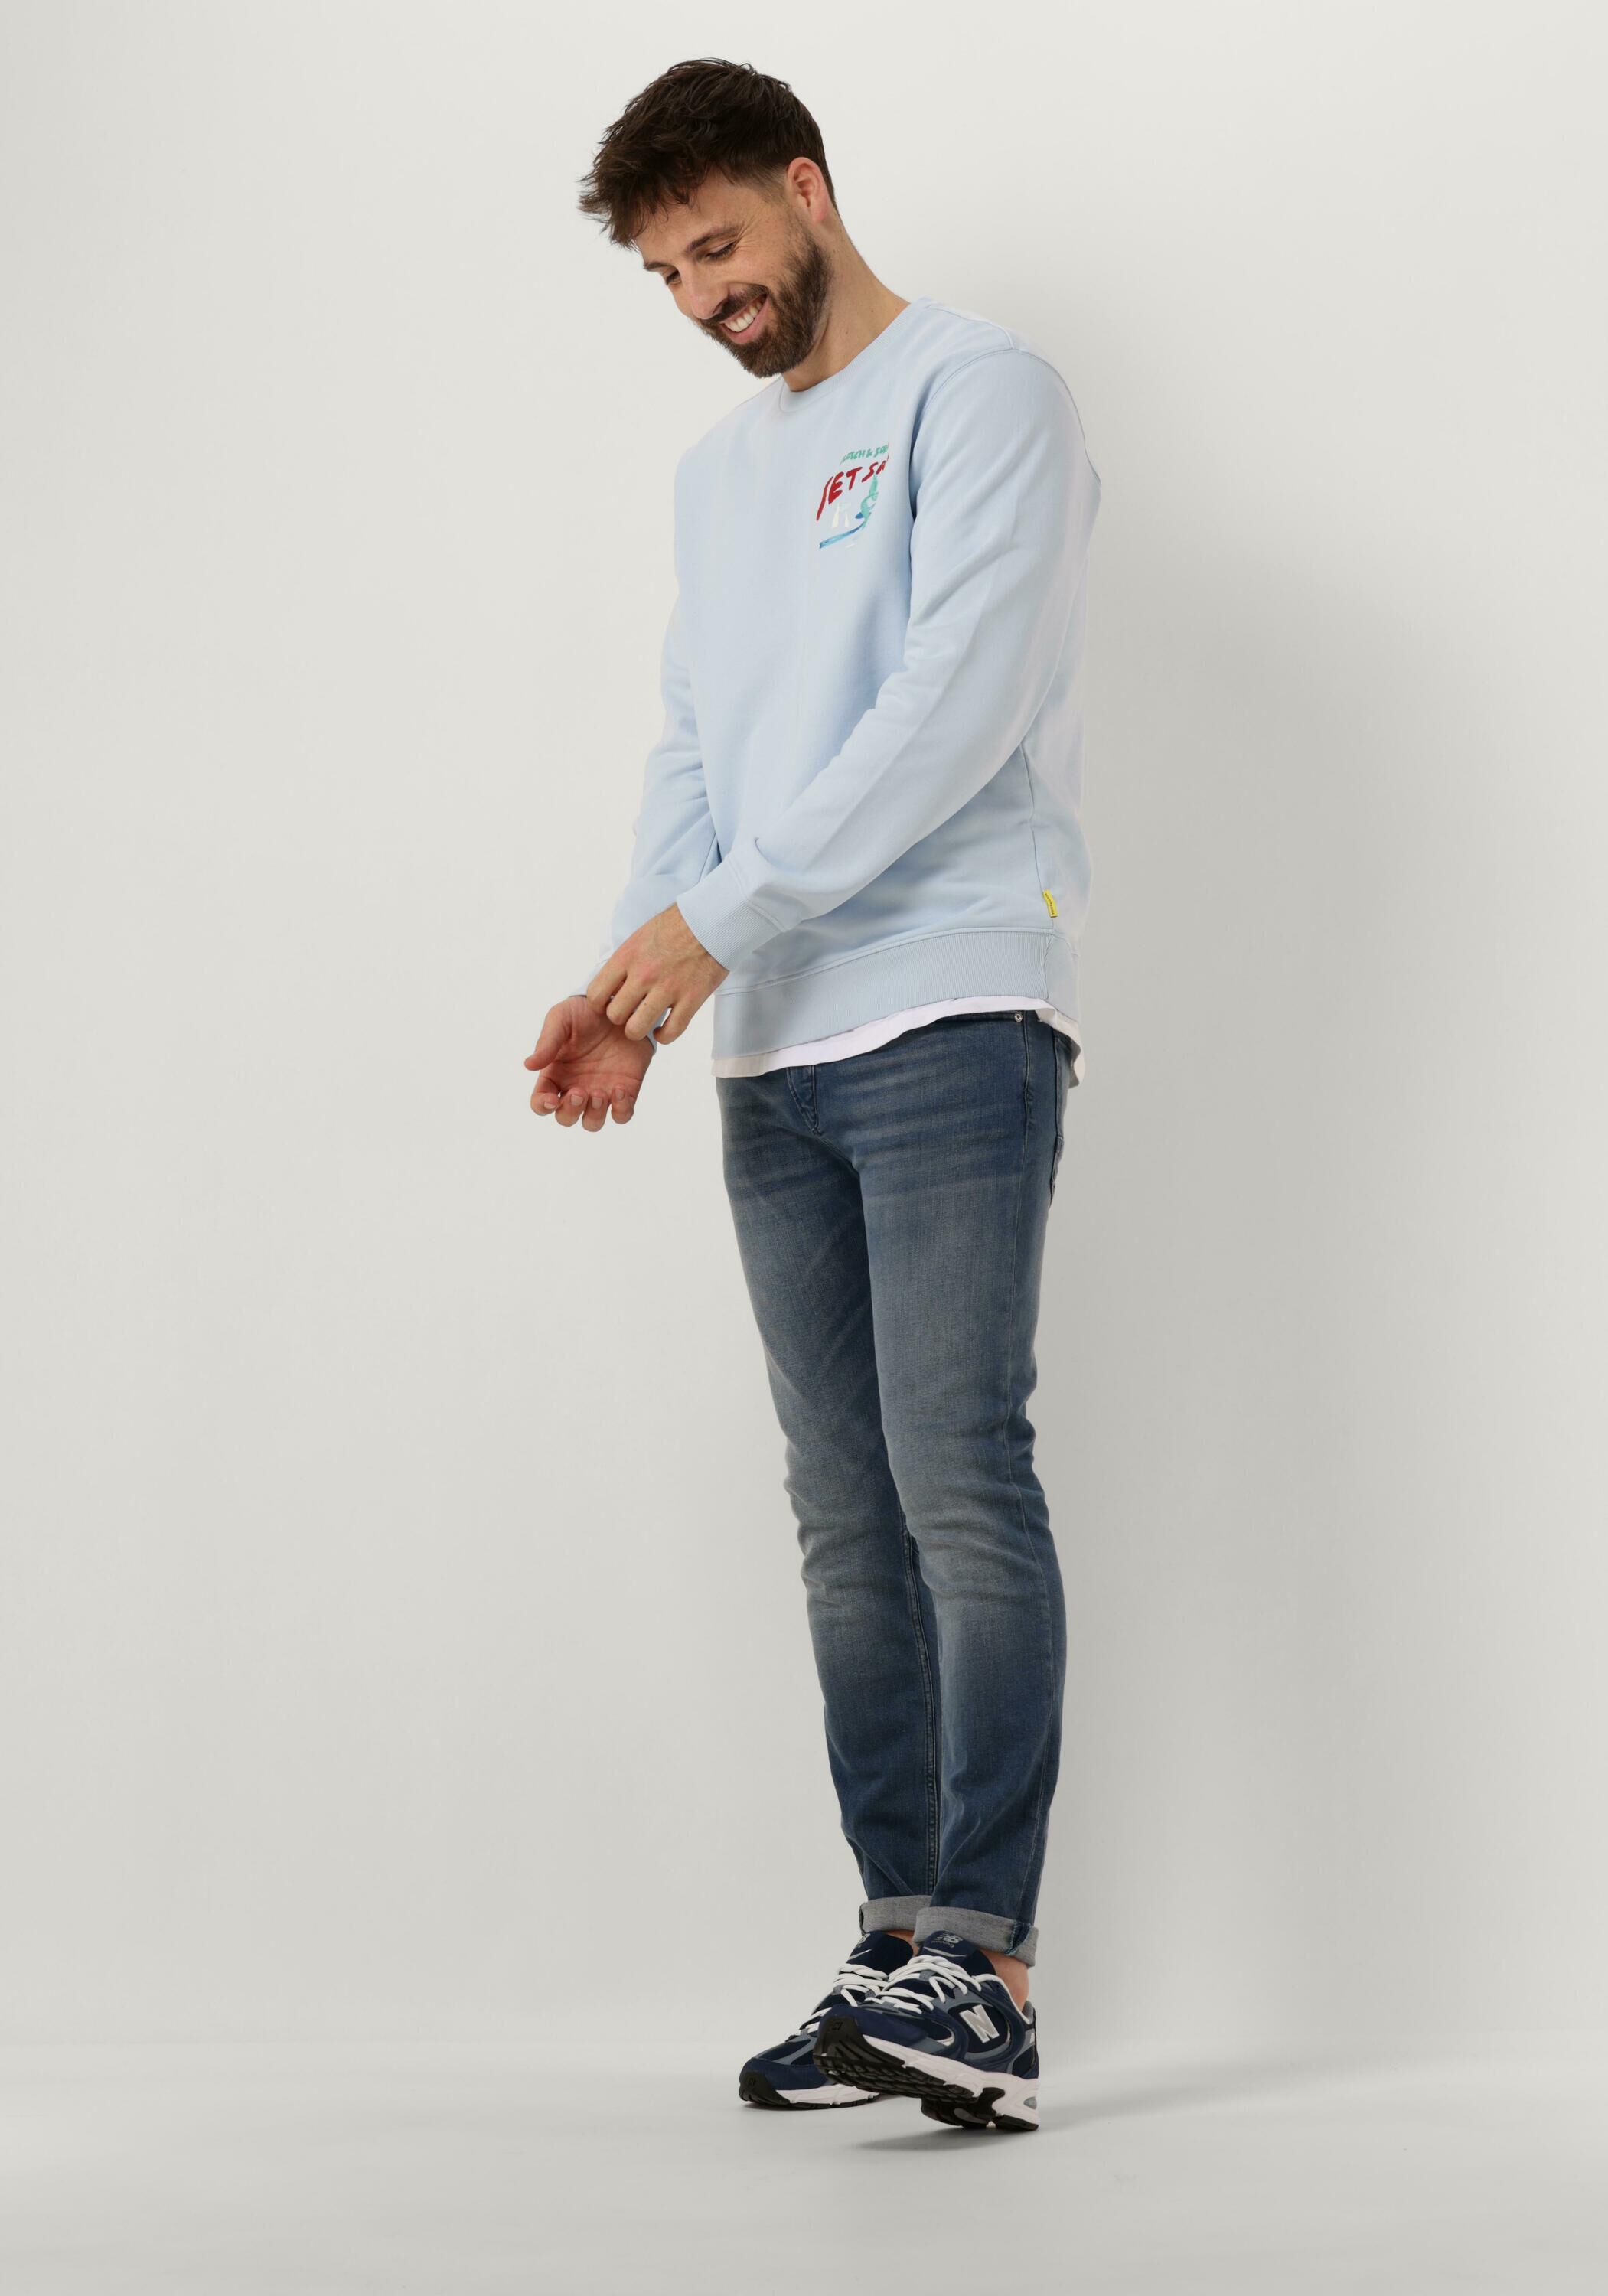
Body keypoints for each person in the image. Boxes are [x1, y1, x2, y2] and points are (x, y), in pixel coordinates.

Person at [525, 58, 1101, 2135]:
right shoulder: (719, 476)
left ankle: (990, 1966)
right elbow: (696, 742)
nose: (706, 298)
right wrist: (640, 976)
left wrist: (725, 916)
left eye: (720, 248)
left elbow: (957, 706)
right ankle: (896, 1946)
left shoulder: (981, 392)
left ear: (807, 185)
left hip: (951, 1003)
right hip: (770, 1041)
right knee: (845, 1520)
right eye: (669, 276)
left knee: (957, 1478)